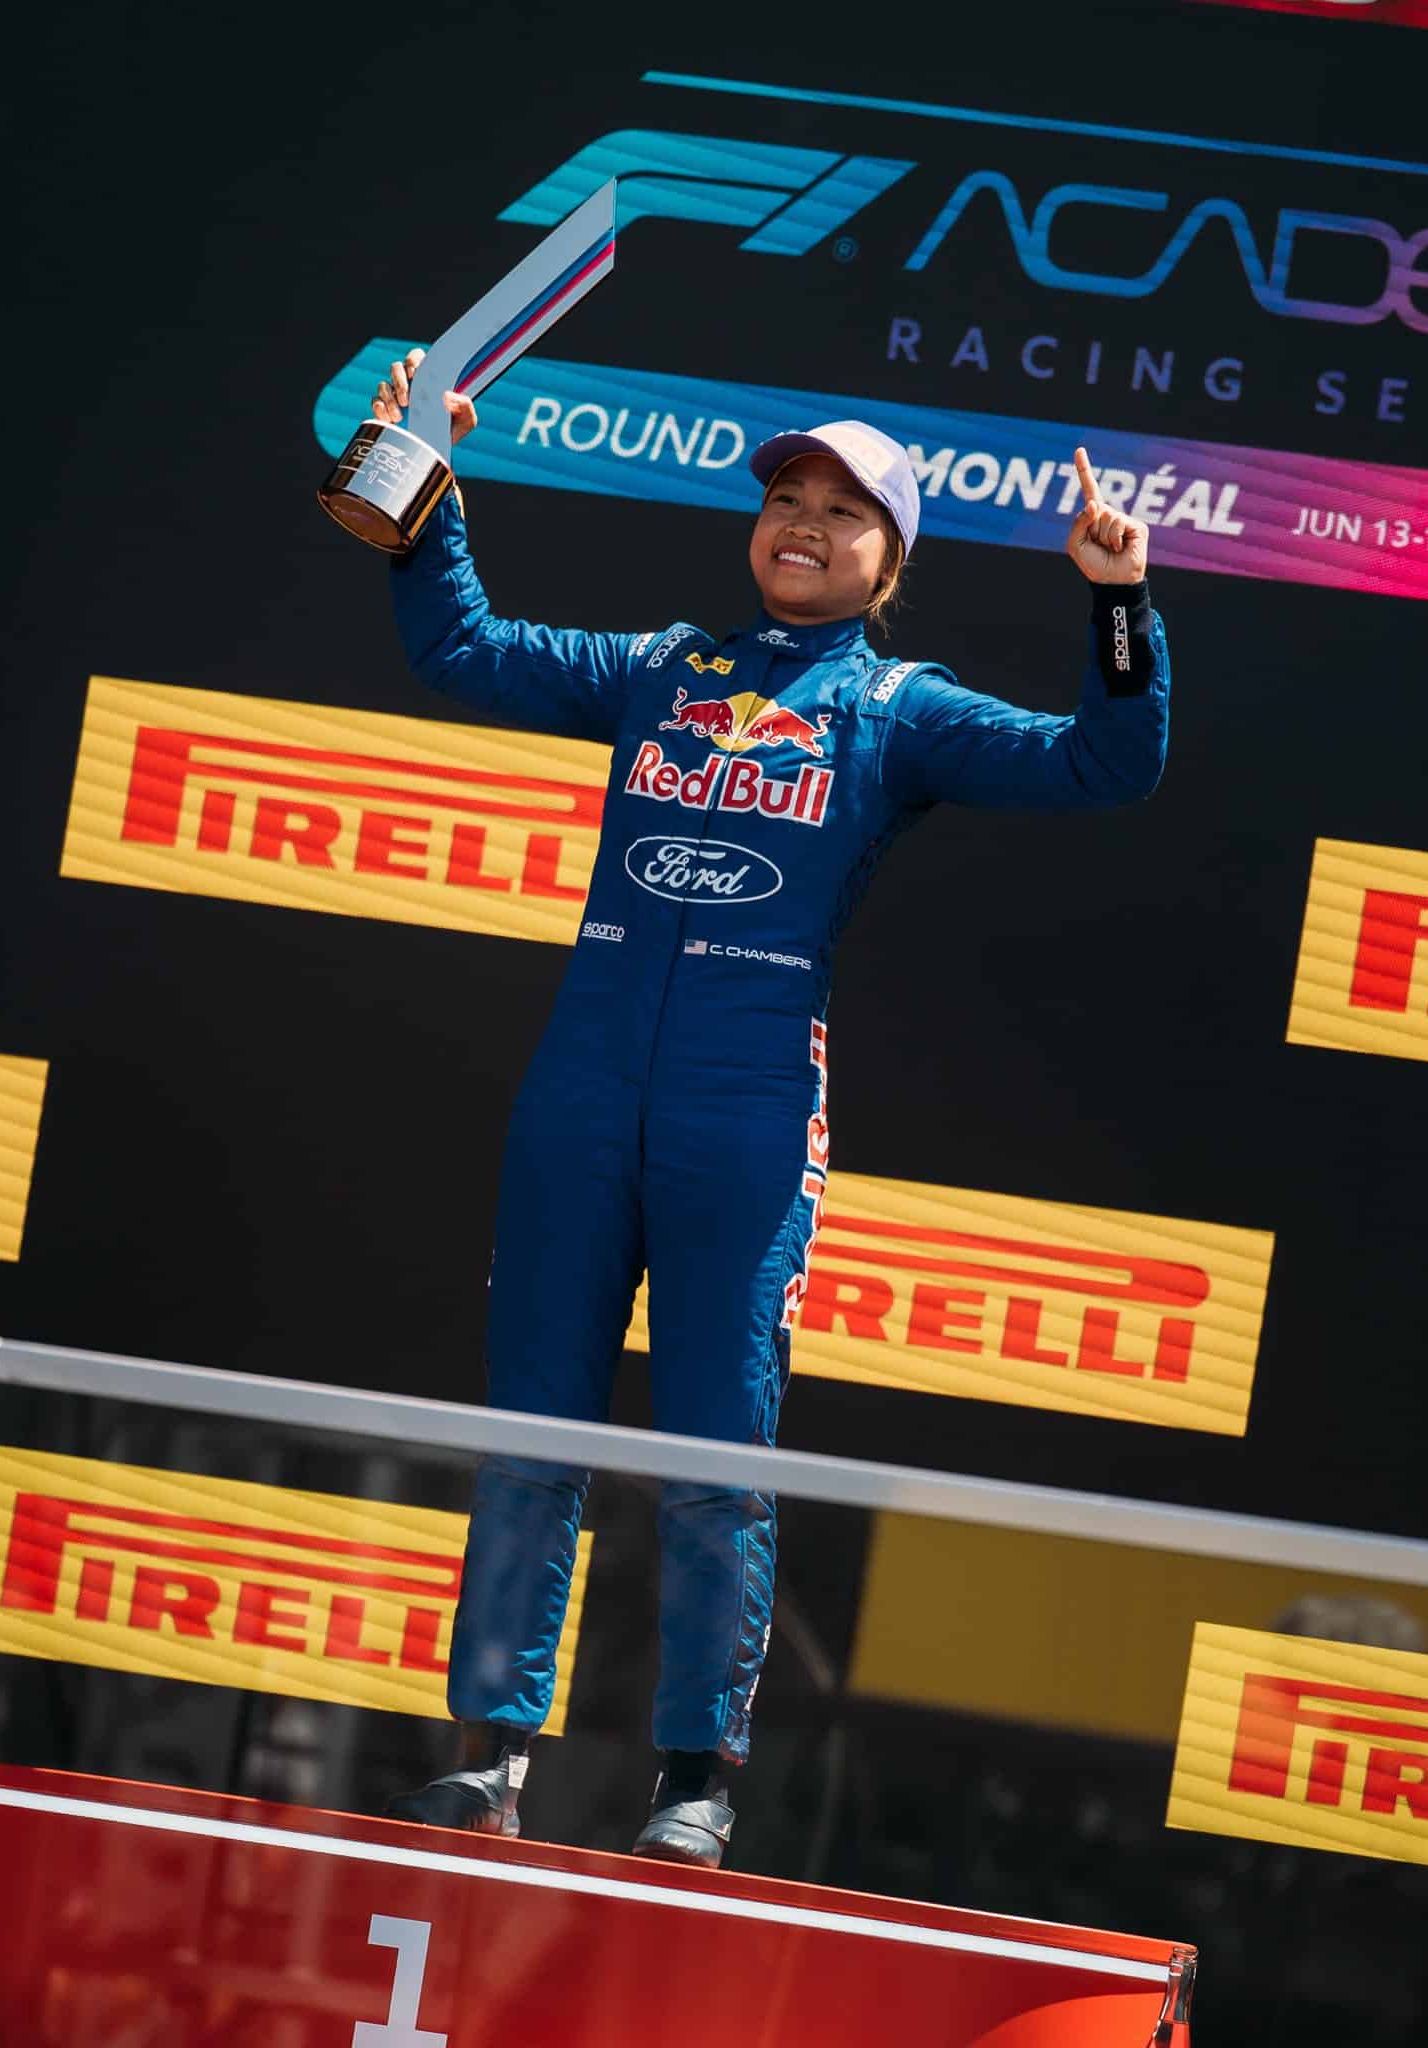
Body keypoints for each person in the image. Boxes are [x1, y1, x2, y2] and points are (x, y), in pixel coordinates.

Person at [376, 353, 1170, 1868]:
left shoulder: (900, 709)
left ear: (891, 562)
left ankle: (696, 1778)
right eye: (785, 498)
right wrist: (427, 482)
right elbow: (460, 649)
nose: (802, 522)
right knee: (530, 1424)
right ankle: (492, 1760)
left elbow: (1105, 763)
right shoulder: (664, 668)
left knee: (716, 1446)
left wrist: (1116, 601)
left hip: (743, 1108)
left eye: (841, 510)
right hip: (583, 1090)